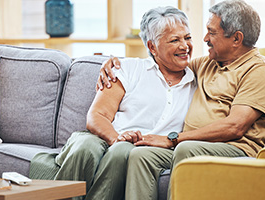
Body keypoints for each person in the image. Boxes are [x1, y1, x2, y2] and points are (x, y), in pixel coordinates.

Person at [98, 0, 265, 199]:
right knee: (140, 154)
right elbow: (166, 59)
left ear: (236, 39)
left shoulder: (259, 71)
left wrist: (173, 139)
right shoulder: (207, 64)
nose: (204, 39)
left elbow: (234, 127)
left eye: (212, 32)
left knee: (185, 148)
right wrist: (114, 64)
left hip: (235, 149)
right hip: (191, 145)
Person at [29, 6, 197, 200]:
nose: (185, 46)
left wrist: (122, 144)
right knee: (85, 148)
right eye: (175, 40)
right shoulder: (128, 68)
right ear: (152, 47)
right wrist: (116, 138)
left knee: (122, 152)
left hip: (144, 148)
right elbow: (96, 117)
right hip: (104, 136)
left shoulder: (200, 78)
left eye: (188, 37)